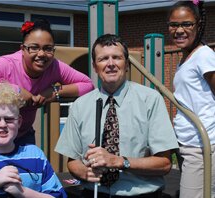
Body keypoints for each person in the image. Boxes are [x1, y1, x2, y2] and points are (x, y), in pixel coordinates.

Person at [55, 34, 178, 198]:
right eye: (103, 59)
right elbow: (73, 162)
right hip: (95, 193)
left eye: (117, 57)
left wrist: (119, 161)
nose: (110, 64)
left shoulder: (150, 100)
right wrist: (85, 173)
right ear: (94, 66)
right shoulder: (80, 105)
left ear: (126, 64)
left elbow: (164, 163)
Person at [0, 19, 94, 146]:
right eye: (34, 47)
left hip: (23, 133)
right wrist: (15, 91)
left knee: (29, 169)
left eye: (48, 48)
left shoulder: (55, 67)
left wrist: (54, 92)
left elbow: (88, 85)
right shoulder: (7, 65)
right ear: (22, 49)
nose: (41, 54)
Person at [167, 1, 215, 197]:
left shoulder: (204, 55)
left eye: (186, 24)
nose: (179, 30)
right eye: (173, 25)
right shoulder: (186, 58)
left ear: (198, 24)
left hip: (202, 146)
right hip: (188, 144)